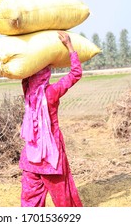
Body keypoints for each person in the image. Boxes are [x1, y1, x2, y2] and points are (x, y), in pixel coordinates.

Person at [19, 31, 83, 207]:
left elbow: (23, 76)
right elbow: (75, 74)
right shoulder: (52, 93)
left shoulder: (28, 95)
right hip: (50, 157)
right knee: (63, 198)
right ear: (46, 76)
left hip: (31, 157)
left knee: (30, 201)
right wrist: (69, 46)